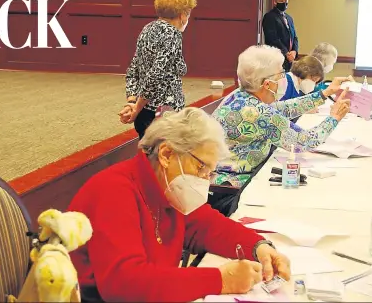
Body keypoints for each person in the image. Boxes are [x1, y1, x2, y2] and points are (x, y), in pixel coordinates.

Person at [69, 107, 291, 302]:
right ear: (167, 154)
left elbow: (207, 226)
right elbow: (125, 284)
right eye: (201, 168)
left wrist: (258, 246)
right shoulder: (114, 191)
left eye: (210, 173)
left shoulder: (165, 188)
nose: (205, 179)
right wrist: (221, 280)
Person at [211, 45, 351, 189]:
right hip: (232, 184)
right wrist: (334, 117)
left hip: (223, 176)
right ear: (267, 84)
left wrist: (324, 93)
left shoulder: (240, 96)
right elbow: (304, 141)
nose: (284, 78)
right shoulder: (258, 113)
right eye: (280, 75)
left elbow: (285, 108)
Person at [119, 0, 197, 139]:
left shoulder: (147, 29)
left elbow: (134, 68)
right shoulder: (173, 35)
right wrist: (136, 108)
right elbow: (157, 74)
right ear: (183, 15)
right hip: (164, 114)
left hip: (144, 113)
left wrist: (133, 101)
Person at [262, 0, 299, 72]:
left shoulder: (289, 18)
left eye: (286, 1)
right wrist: (286, 53)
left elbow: (294, 37)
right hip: (277, 58)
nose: (284, 3)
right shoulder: (269, 17)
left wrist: (294, 51)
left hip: (289, 60)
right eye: (281, 1)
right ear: (275, 2)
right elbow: (273, 38)